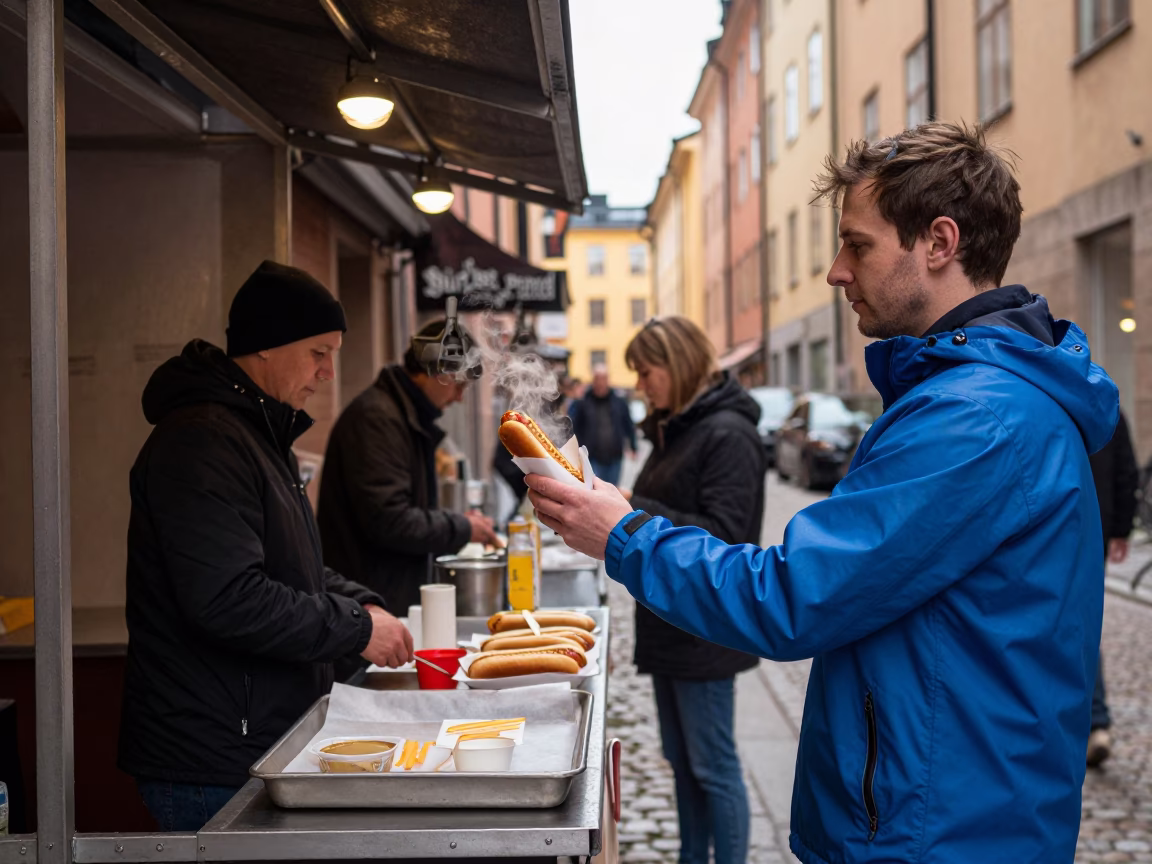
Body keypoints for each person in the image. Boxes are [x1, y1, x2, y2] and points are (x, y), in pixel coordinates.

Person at [526, 122, 1119, 863]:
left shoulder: (976, 417)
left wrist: (625, 535)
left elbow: (794, 596)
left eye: (858, 245)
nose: (837, 271)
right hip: (942, 808)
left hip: (937, 830)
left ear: (939, 243)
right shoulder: (973, 399)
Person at [119, 261, 412, 831]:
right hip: (209, 760)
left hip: (253, 744)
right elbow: (229, 598)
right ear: (265, 349)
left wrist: (365, 606)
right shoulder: (202, 442)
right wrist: (355, 628)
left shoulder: (256, 433)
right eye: (317, 352)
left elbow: (294, 567)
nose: (328, 373)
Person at [620, 316, 764, 864]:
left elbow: (726, 537)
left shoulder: (727, 434)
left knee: (714, 769)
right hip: (670, 621)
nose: (640, 384)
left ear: (676, 364)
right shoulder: (675, 427)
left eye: (646, 370)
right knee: (682, 763)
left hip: (705, 628)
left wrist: (631, 510)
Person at [317, 318, 497, 615]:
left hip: (385, 596)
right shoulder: (378, 419)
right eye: (459, 384)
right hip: (371, 603)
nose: (459, 397)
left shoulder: (401, 414)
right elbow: (390, 520)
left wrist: (455, 523)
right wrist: (461, 527)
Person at [1087, 407, 1139, 767]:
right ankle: (1095, 724)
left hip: (1051, 531)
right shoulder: (1105, 406)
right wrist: (1120, 529)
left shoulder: (1036, 397)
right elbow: (1126, 472)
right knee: (1085, 624)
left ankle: (1092, 721)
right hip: (1096, 531)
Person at [568, 365, 636, 485]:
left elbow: (628, 424)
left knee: (612, 490)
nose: (600, 382)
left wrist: (633, 446)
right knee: (595, 489)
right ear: (593, 380)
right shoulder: (583, 403)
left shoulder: (619, 402)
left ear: (607, 380)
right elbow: (575, 428)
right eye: (597, 378)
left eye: (603, 378)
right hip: (592, 457)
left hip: (615, 457)